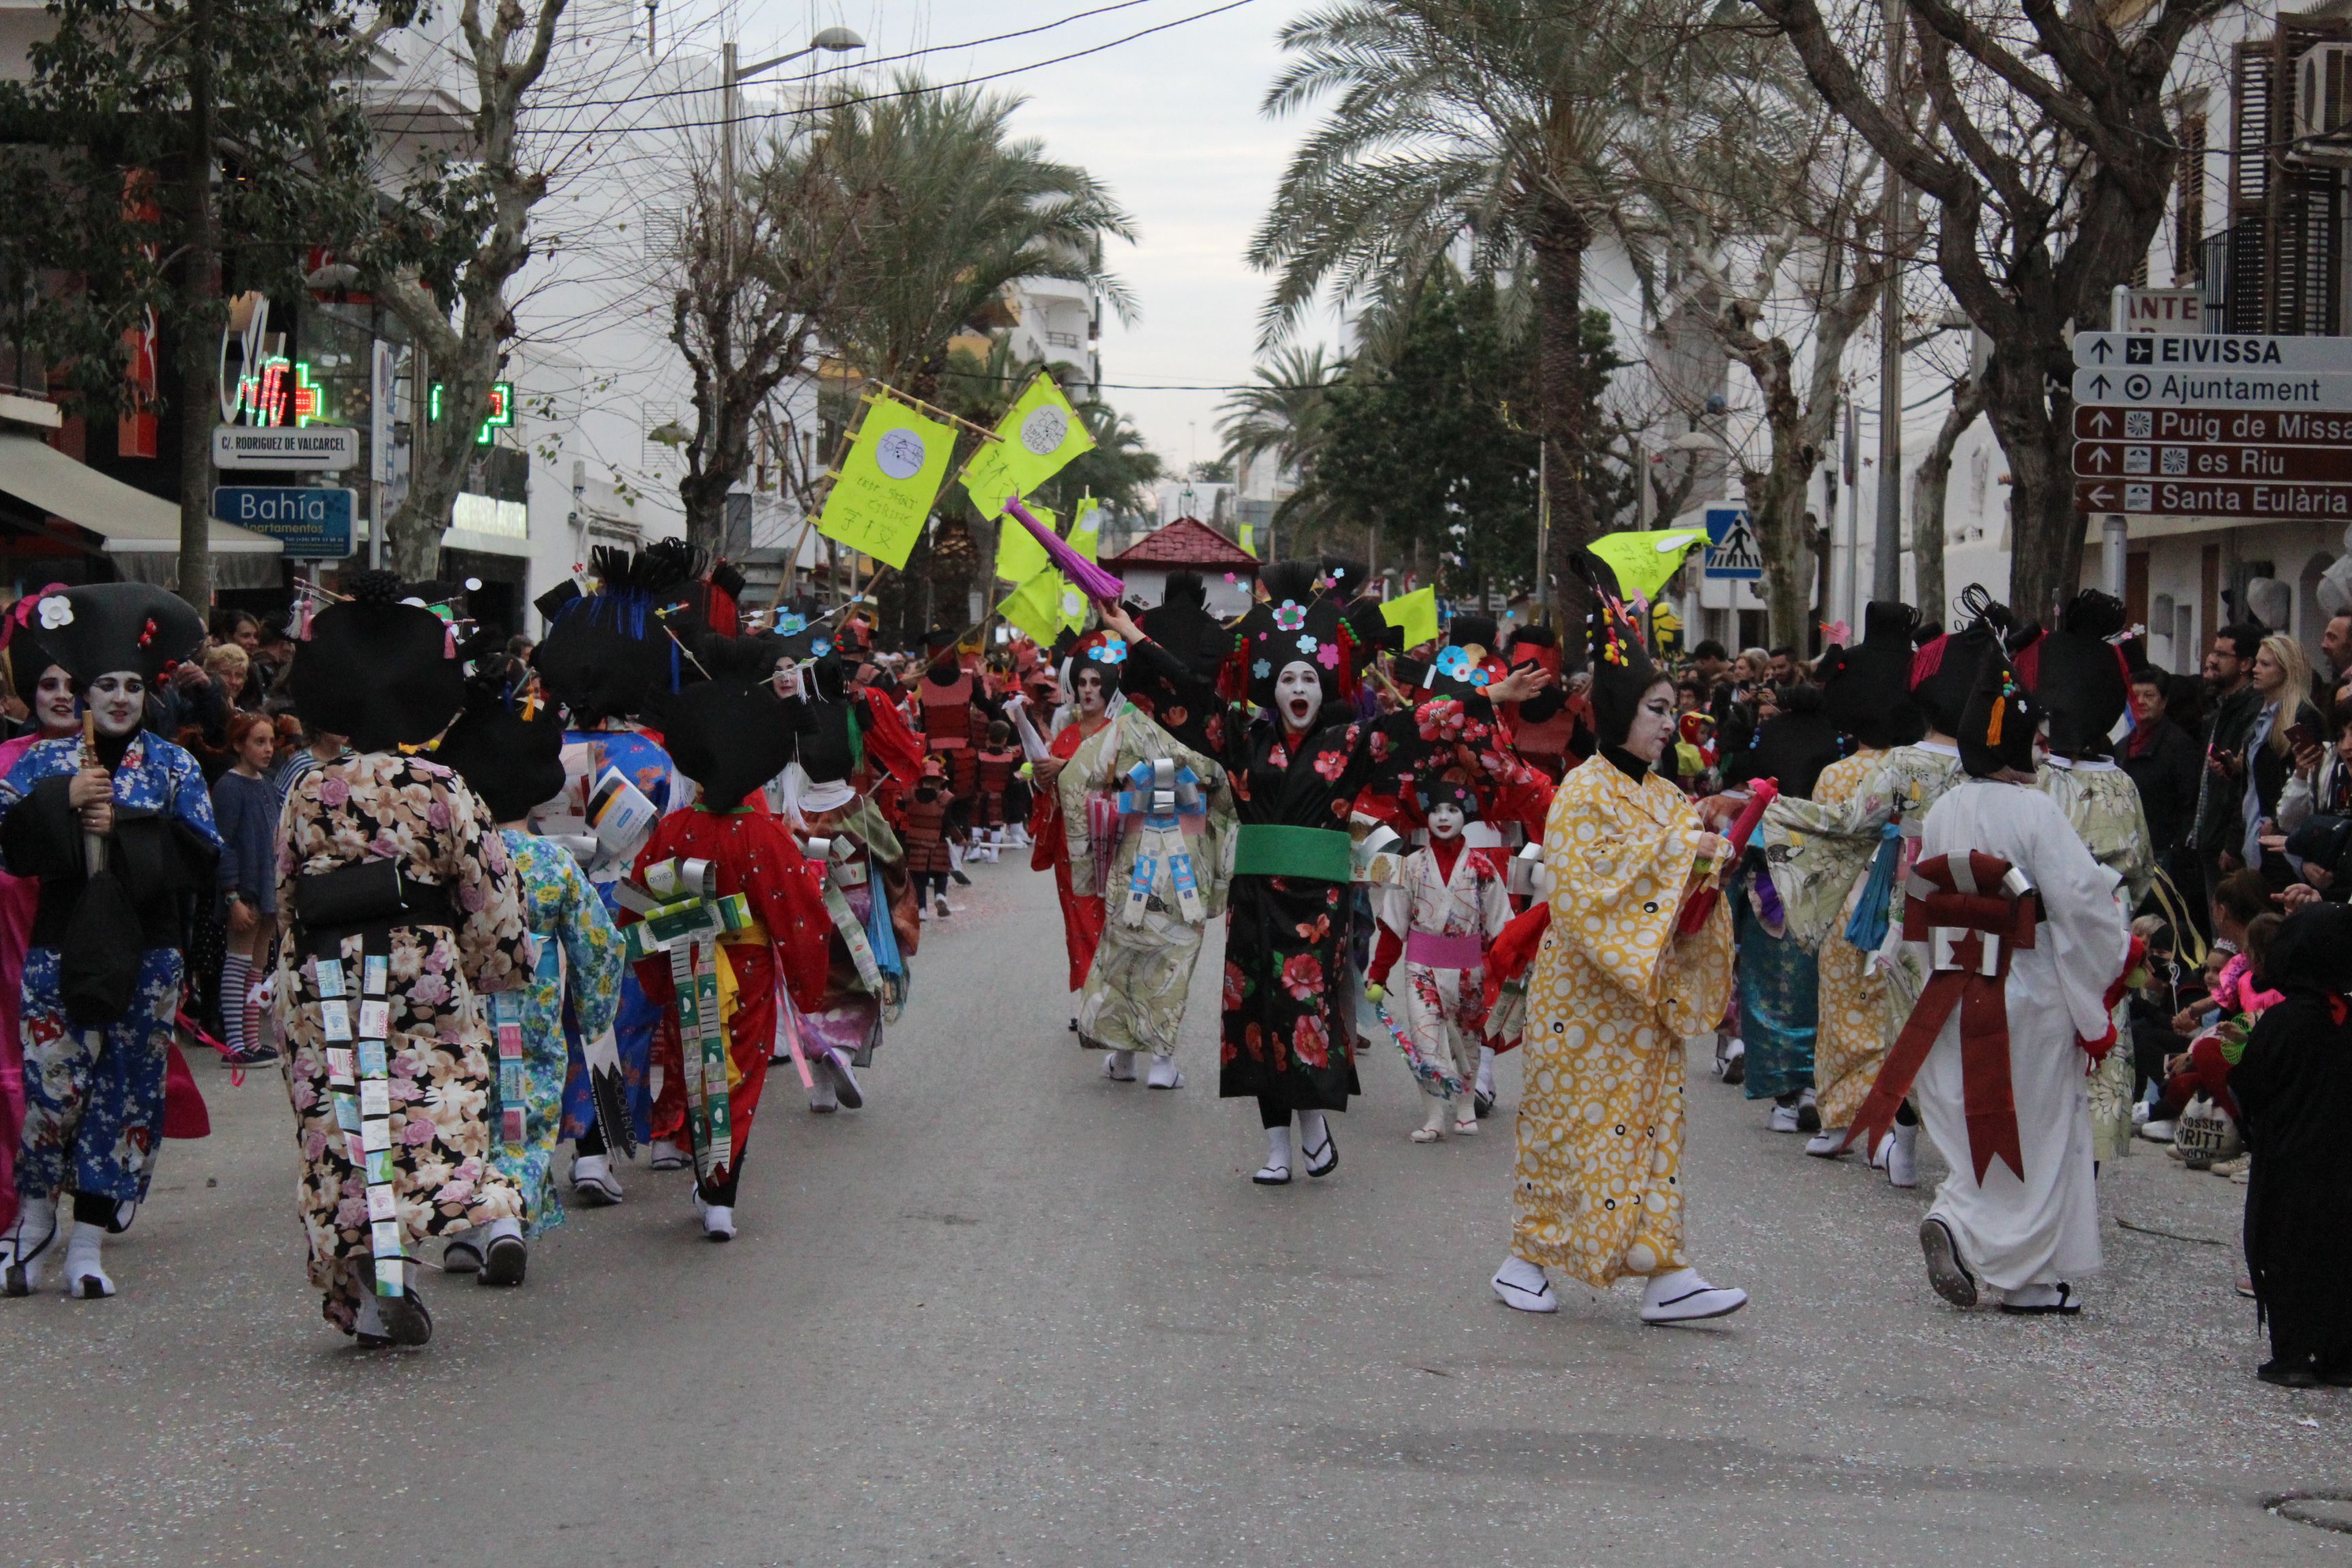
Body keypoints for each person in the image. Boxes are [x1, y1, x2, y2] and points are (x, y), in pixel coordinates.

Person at [1096, 568, 1552, 1186]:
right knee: (1255, 1016)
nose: (1298, 687)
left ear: (1324, 688)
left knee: (1304, 1010)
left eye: (1309, 678)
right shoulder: (1243, 736)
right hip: (1256, 898)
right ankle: (1276, 1148)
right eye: (1287, 678)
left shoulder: (1352, 741)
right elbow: (1191, 690)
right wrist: (1130, 632)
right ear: (1271, 688)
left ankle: (1312, 1124)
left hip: (1317, 904)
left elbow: (1422, 721)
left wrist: (1492, 695)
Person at [274, 573, 533, 1345]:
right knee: (430, 1109)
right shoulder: (440, 786)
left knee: (343, 1121)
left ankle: (376, 1284)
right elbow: (487, 893)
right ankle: (456, 1231)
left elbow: (285, 891)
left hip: (325, 969)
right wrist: (494, 966)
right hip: (419, 967)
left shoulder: (308, 791)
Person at [1489, 551, 1744, 1324]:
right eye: (1657, 710)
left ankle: (1663, 1269)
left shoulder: (1667, 795)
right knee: (1573, 1130)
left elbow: (1671, 884)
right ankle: (1525, 1257)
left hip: (1645, 997)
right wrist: (1684, 850)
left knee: (1653, 1127)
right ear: (1621, 710)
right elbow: (1588, 890)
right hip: (1587, 999)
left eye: (1672, 711)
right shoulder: (1581, 792)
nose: (1670, 724)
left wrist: (1709, 856)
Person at [1868, 649, 2131, 1317]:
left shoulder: (1947, 808)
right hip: (2029, 980)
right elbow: (2082, 901)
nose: (2042, 749)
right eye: (2034, 737)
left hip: (1960, 977)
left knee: (1981, 1114)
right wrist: (2113, 950)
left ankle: (1980, 1233)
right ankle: (1993, 1250)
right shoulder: (2035, 812)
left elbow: (1925, 894)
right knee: (2036, 1126)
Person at [0, 585, 220, 1301]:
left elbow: (204, 856)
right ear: (84, 694)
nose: (119, 698)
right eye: (105, 686)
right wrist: (60, 803)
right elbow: (8, 842)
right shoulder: (46, 762)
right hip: (60, 944)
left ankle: (88, 1244)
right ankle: (34, 1217)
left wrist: (123, 826)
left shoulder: (174, 765)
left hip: (148, 951)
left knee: (124, 1094)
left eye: (131, 685)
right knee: (52, 1089)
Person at [1753, 598, 1981, 1175]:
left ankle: (1843, 1117)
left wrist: (1772, 817)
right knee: (1897, 1004)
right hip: (1918, 893)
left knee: (1844, 1001)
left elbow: (1833, 834)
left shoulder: (1841, 772)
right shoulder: (1939, 757)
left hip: (1854, 893)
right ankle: (1888, 1124)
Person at [625, 636, 830, 1241]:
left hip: (687, 959)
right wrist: (807, 980)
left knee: (696, 1064)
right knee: (738, 1070)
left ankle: (705, 1171)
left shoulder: (673, 830)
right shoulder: (765, 836)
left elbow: (637, 903)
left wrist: (657, 967)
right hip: (748, 967)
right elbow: (801, 915)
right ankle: (721, 1192)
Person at [528, 544, 711, 1190]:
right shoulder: (656, 759)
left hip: (548, 906)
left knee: (553, 1023)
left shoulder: (544, 749)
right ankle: (596, 1151)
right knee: (618, 1023)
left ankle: (539, 1152)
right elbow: (673, 847)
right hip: (627, 903)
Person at [431, 672, 623, 1284]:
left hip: (458, 1010)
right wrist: (595, 1012)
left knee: (461, 1111)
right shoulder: (551, 861)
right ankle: (506, 1221)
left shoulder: (450, 861)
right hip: (532, 1010)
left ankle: (464, 1231)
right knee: (526, 1110)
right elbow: (599, 943)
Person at [1061, 628, 1234, 1090]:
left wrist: (1088, 861)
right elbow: (1231, 797)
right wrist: (1222, 877)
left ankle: (1123, 1057)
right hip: (1191, 851)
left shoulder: (1127, 727)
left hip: (1136, 847)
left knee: (1126, 947)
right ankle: (1161, 1062)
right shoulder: (1214, 726)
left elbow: (1073, 780)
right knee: (1174, 955)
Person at [2021, 593, 2155, 1165]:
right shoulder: (2121, 784)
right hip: (2102, 928)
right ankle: (2088, 1164)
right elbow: (2141, 869)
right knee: (2099, 1039)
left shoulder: (2032, 782)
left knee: (2040, 1042)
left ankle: (2035, 1162)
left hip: (2040, 928)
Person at [2226, 901, 2352, 1386]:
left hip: (2290, 1160)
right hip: (2344, 1162)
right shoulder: (2344, 1018)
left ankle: (2295, 1352)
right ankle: (2340, 1354)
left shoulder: (2285, 1020)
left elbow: (2250, 1082)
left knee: (2288, 1251)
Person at [1721, 682, 1846, 1133]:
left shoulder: (1768, 737)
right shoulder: (1837, 742)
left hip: (1768, 873)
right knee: (1822, 992)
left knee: (1768, 991)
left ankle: (1785, 1101)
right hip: (1825, 877)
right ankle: (1815, 1087)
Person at [1365, 779, 1509, 1142]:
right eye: (1436, 811)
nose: (1443, 818)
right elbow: (1394, 926)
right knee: (1424, 1042)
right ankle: (1433, 1116)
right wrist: (1378, 973)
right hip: (1421, 968)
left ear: (1466, 817)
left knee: (1467, 1041)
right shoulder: (1411, 866)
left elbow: (1501, 929)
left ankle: (1465, 1108)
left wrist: (1509, 972)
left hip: (1468, 969)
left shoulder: (1483, 868)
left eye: (1452, 811)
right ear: (1425, 818)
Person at [0, 604, 81, 1232]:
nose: (60, 695)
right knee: (17, 1062)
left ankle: (85, 1192)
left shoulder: (115, 756)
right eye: (48, 684)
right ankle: (21, 1200)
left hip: (77, 927)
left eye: (71, 684)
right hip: (11, 926)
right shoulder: (7, 756)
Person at [1024, 644, 1115, 1028]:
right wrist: (1042, 779)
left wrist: (1069, 768)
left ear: (1108, 688)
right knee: (1077, 922)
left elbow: (1123, 784)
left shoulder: (1120, 735)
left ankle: (1110, 998)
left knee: (1111, 921)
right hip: (1068, 845)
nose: (1088, 690)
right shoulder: (1065, 737)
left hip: (1110, 845)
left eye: (1096, 682)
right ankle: (1085, 1000)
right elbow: (1050, 793)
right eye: (1083, 683)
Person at [210, 711, 282, 1066]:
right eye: (259, 742)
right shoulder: (229, 787)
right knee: (237, 963)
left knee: (257, 966)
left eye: (271, 742)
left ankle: (252, 1039)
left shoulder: (267, 784)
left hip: (268, 886)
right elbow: (222, 843)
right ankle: (235, 1044)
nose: (268, 749)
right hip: (245, 888)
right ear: (239, 745)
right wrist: (231, 894)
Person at [2237, 633, 2323, 886]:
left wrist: (2275, 823)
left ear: (2287, 671)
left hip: (2286, 838)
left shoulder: (2302, 717)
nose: (2255, 670)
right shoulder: (2260, 716)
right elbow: (2252, 781)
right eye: (2257, 662)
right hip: (2255, 831)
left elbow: (2309, 782)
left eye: (2265, 664)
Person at [2190, 623, 2265, 903]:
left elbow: (2244, 783)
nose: (2211, 660)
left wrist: (2233, 842)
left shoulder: (2251, 712)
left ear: (2245, 664)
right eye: (2213, 652)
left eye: (2222, 655)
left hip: (2229, 845)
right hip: (2210, 840)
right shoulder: (2220, 710)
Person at [2121, 665, 2202, 906]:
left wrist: (2177, 850)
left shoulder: (2180, 747)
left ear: (2164, 702)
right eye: (2135, 695)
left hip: (2163, 855)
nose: (2141, 702)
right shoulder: (2121, 748)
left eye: (2149, 695)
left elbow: (2190, 804)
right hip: (2127, 853)